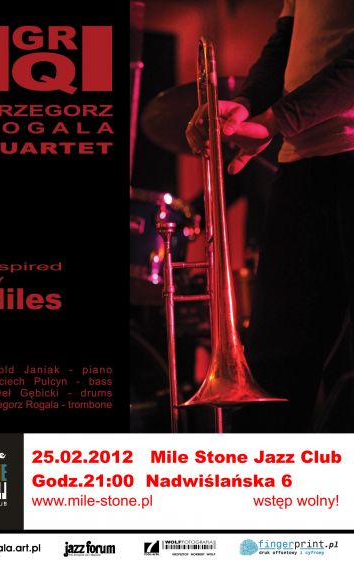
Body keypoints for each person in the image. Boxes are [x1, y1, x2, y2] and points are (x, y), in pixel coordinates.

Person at [186, 0, 354, 432]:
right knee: (270, 374)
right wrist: (245, 104)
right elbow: (284, 43)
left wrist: (277, 120)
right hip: (301, 163)